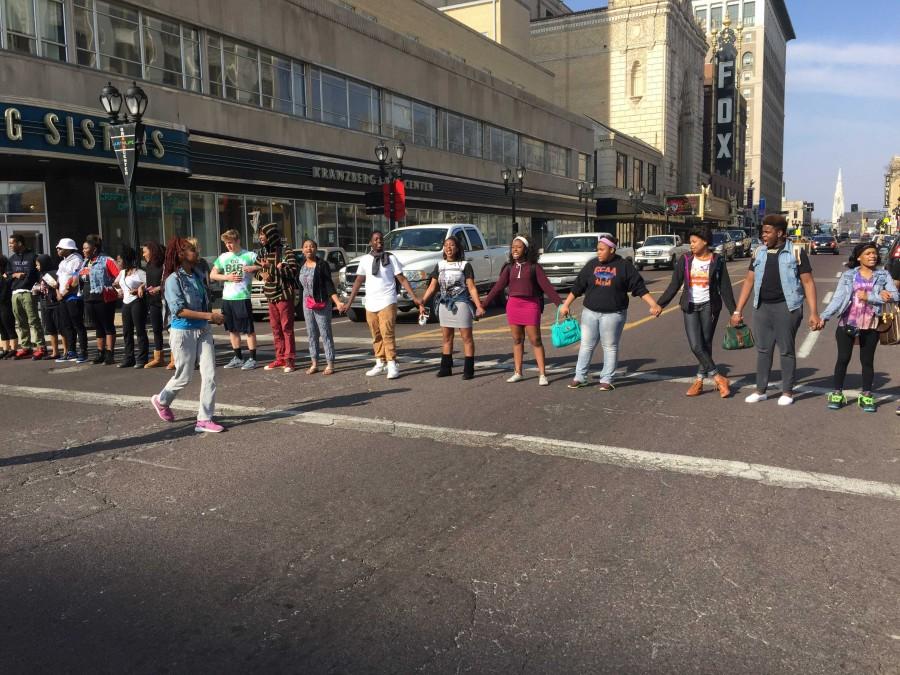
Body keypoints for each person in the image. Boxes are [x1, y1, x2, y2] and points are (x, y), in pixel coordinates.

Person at [732, 215, 821, 405]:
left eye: (767, 232)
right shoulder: (759, 252)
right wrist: (738, 310)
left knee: (786, 350)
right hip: (762, 307)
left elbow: (808, 282)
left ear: (779, 233)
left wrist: (814, 312)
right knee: (763, 350)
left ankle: (787, 392)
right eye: (762, 232)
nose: (763, 235)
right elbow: (749, 280)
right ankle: (760, 390)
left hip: (787, 307)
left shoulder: (796, 252)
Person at [559, 234, 661, 391]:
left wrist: (653, 304)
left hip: (613, 314)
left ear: (612, 250)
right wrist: (566, 304)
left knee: (610, 346)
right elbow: (578, 286)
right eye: (597, 249)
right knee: (586, 345)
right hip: (590, 313)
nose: (598, 252)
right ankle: (580, 377)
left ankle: (606, 379)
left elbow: (638, 287)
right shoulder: (591, 265)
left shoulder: (624, 266)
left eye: (601, 249)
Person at [150, 237, 225, 433]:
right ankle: (161, 400)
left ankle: (204, 419)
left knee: (210, 374)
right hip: (183, 331)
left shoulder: (198, 275)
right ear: (181, 254)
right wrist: (210, 315)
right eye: (192, 249)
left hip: (203, 329)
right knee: (184, 376)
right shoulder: (173, 280)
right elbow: (179, 310)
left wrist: (211, 317)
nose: (196, 252)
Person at [817, 242, 898, 412]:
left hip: (872, 324)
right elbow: (838, 299)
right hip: (848, 322)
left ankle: (866, 395)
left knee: (867, 361)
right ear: (859, 257)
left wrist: (871, 296)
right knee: (843, 359)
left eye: (874, 253)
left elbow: (896, 295)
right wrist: (824, 317)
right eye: (868, 253)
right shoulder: (848, 276)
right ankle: (837, 393)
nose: (872, 256)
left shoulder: (883, 275)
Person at [656, 228, 736, 397]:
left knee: (705, 345)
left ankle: (699, 382)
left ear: (705, 241)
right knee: (695, 345)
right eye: (690, 242)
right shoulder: (685, 260)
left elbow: (725, 287)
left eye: (694, 241)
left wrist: (734, 311)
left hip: (709, 306)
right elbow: (674, 284)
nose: (690, 245)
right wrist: (660, 304)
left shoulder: (717, 260)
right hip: (690, 306)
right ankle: (718, 378)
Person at [483, 234, 562, 385]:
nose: (515, 250)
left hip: (531, 305)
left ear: (526, 249)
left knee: (535, 340)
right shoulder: (508, 268)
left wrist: (561, 305)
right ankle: (518, 372)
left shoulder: (534, 267)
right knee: (517, 339)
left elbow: (547, 288)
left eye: (518, 247)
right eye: (513, 247)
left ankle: (542, 374)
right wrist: (483, 304)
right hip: (513, 305)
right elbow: (498, 287)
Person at [343, 230, 422, 379]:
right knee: (376, 334)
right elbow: (358, 281)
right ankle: (380, 362)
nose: (379, 241)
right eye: (376, 239)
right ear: (370, 243)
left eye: (381, 239)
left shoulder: (391, 259)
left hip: (388, 300)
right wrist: (349, 302)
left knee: (387, 333)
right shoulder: (365, 260)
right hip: (371, 302)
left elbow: (402, 279)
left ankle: (392, 364)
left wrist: (415, 298)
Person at [419, 235, 487, 380]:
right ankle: (446, 368)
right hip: (444, 304)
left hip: (461, 303)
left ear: (457, 248)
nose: (448, 248)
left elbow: (472, 288)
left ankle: (469, 369)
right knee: (446, 337)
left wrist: (478, 306)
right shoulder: (440, 265)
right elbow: (432, 287)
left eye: (452, 245)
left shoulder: (464, 265)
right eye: (446, 245)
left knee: (466, 337)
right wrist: (422, 301)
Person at [211, 229, 260, 371]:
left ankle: (252, 358)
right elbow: (212, 274)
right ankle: (238, 357)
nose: (228, 246)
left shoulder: (249, 255)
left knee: (248, 330)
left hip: (242, 297)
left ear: (238, 241)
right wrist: (227, 277)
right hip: (227, 297)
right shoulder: (224, 257)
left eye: (230, 242)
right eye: (226, 243)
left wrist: (254, 267)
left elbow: (265, 265)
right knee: (232, 330)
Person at [256, 223, 299, 373]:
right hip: (270, 294)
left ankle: (290, 360)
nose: (260, 237)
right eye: (260, 234)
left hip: (284, 293)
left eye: (263, 234)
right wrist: (261, 274)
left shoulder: (285, 250)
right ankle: (280, 358)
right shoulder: (262, 252)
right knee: (275, 328)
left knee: (287, 328)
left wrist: (271, 268)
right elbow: (256, 269)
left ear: (271, 235)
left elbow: (293, 271)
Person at [298, 239, 345, 375]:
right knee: (311, 334)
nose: (309, 249)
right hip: (307, 304)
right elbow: (300, 285)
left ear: (316, 249)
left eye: (311, 247)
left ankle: (330, 363)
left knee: (325, 333)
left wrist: (337, 302)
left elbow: (328, 284)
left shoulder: (322, 265)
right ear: (302, 250)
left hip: (321, 303)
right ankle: (314, 363)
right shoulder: (302, 265)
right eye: (306, 247)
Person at [78, 234, 120, 365]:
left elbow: (118, 276)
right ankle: (100, 353)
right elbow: (80, 278)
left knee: (107, 325)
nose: (83, 250)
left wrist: (112, 287)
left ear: (94, 248)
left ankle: (109, 354)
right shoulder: (85, 262)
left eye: (86, 248)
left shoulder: (107, 260)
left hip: (104, 297)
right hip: (88, 298)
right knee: (98, 326)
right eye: (83, 248)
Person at [6, 234, 45, 359]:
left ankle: (41, 347)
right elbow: (7, 275)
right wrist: (15, 275)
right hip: (15, 293)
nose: (10, 245)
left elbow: (39, 273)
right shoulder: (11, 259)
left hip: (29, 292)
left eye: (12, 243)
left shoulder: (33, 256)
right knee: (21, 322)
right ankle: (26, 347)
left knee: (33, 320)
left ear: (20, 243)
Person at [114, 246, 149, 369]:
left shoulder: (138, 272)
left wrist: (140, 287)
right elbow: (115, 283)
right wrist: (119, 290)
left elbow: (149, 282)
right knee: (127, 332)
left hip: (137, 302)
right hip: (126, 303)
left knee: (140, 330)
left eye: (119, 260)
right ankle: (129, 358)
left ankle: (142, 358)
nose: (117, 263)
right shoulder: (122, 273)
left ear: (126, 259)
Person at [55, 238, 88, 363]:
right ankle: (71, 351)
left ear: (68, 249)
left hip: (73, 297)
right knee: (67, 326)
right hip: (63, 297)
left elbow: (75, 281)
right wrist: (58, 292)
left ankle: (83, 352)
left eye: (60, 248)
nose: (58, 250)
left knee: (78, 325)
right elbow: (58, 280)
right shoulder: (62, 262)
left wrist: (64, 293)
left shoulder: (77, 260)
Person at [32, 254, 64, 360]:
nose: (36, 267)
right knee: (51, 329)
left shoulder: (53, 273)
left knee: (61, 328)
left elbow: (56, 285)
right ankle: (55, 352)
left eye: (38, 264)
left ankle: (66, 350)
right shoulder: (41, 275)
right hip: (46, 305)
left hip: (55, 304)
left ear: (44, 263)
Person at [140, 241, 166, 368]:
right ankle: (158, 357)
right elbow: (148, 281)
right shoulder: (149, 265)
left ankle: (175, 357)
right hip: (153, 301)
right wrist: (142, 287)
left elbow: (169, 281)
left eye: (145, 251)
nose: (143, 254)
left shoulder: (164, 264)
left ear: (153, 251)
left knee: (171, 329)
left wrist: (158, 288)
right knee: (156, 329)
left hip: (165, 300)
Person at [0, 254, 17, 359]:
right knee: (2, 328)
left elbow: (7, 288)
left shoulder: (6, 275)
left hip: (6, 304)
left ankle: (13, 349)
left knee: (9, 326)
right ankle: (5, 349)